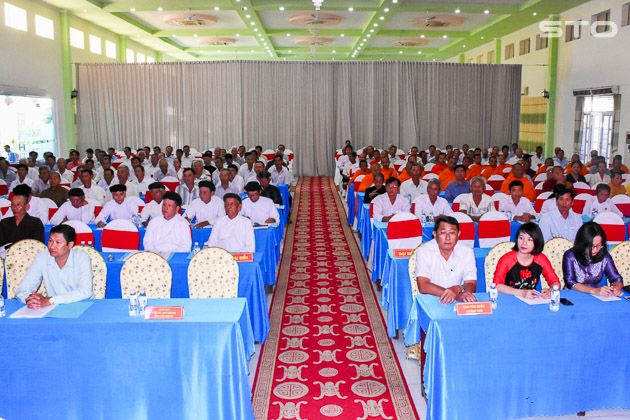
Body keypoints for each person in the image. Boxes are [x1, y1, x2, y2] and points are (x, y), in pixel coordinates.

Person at [15, 224, 93, 306]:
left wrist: (51, 300)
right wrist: (32, 300)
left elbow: (85, 291)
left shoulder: (82, 257)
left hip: (80, 305)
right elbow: (22, 289)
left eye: (58, 242)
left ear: (70, 245)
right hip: (52, 308)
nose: (52, 246)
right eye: (50, 241)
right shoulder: (42, 257)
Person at [416, 216, 477, 305]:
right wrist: (455, 295)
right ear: (435, 235)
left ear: (458, 235)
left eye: (452, 233)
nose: (448, 238)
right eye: (443, 233)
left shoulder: (467, 252)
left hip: (457, 302)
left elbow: (471, 283)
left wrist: (457, 289)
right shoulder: (424, 251)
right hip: (430, 301)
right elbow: (423, 286)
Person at [493, 223, 560, 299]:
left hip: (531, 299)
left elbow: (555, 282)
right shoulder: (507, 259)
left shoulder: (541, 259)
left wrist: (550, 291)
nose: (524, 243)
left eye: (529, 240)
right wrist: (522, 293)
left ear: (537, 242)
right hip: (508, 298)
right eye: (521, 238)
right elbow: (497, 285)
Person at [563, 222, 623, 296]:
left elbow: (616, 278)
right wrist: (594, 291)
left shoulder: (604, 255)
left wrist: (616, 288)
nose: (594, 250)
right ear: (582, 244)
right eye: (591, 246)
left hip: (597, 295)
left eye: (598, 246)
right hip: (574, 294)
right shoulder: (570, 255)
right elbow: (570, 282)